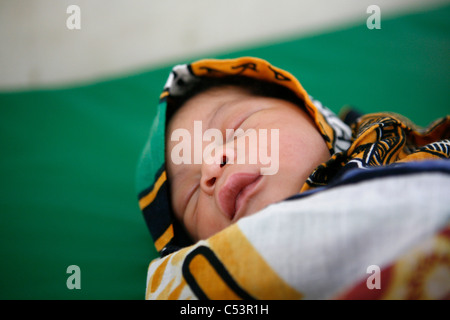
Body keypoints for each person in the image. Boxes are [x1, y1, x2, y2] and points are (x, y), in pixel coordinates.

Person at [137, 57, 450, 299]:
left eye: (235, 128)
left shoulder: (405, 154)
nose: (211, 167)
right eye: (191, 195)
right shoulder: (203, 287)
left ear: (310, 114)